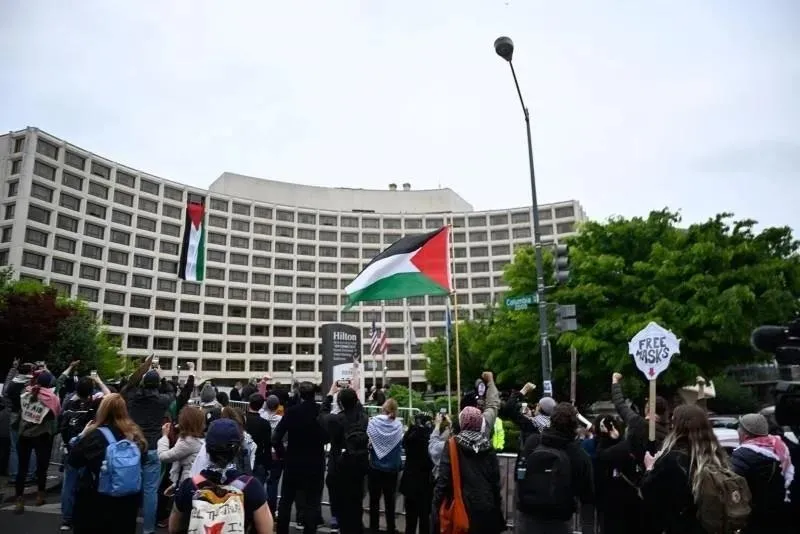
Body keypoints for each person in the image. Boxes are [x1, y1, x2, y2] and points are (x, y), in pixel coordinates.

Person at [169, 419, 273, 534]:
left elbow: (173, 527)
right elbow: (266, 530)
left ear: (207, 448)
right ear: (238, 449)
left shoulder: (189, 486)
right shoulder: (251, 487)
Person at [640, 403, 731, 534]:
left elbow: (649, 495)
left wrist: (650, 468)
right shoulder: (716, 456)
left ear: (678, 427)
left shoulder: (671, 459)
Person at [68, 393, 148, 534]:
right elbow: (143, 460)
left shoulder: (95, 435)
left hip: (96, 500)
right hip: (127, 502)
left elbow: (74, 460)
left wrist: (82, 435)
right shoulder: (134, 435)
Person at [515, 402, 595, 534]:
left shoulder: (533, 442)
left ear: (551, 420)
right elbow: (587, 499)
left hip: (527, 519)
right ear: (574, 426)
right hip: (559, 523)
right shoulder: (579, 456)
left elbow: (519, 477)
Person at [432, 406, 506, 534]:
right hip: (487, 508)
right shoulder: (488, 446)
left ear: (462, 423)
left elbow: (443, 481)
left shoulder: (453, 444)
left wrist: (436, 507)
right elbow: (495, 482)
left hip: (462, 508)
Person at [121, 356, 173, 534]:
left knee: (130, 486)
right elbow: (172, 392)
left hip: (134, 446)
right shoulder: (163, 400)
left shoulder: (133, 398)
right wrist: (162, 377)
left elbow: (128, 385)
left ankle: (126, 523)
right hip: (153, 447)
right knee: (150, 491)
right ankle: (148, 529)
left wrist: (143, 370)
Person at [272, 381, 328, 534]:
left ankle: (282, 531)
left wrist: (283, 456)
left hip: (293, 461)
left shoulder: (291, 412)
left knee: (285, 501)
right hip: (315, 463)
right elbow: (327, 437)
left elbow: (276, 438)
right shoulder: (319, 412)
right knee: (312, 503)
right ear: (314, 394)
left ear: (299, 394)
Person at [731, 413, 794, 533]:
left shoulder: (742, 455)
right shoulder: (781, 447)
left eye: (739, 427)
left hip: (754, 517)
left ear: (745, 433)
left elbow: (734, 486)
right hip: (782, 515)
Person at [59, 374, 108, 530]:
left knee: (68, 485)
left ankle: (66, 519)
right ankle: (83, 515)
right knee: (86, 485)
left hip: (69, 449)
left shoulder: (68, 402)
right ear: (91, 391)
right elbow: (111, 397)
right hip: (87, 452)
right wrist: (99, 381)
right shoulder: (93, 406)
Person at [320, 384, 369, 534]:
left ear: (340, 403)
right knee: (355, 502)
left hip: (339, 466)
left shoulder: (336, 420)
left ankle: (340, 523)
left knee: (340, 502)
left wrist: (329, 395)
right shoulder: (363, 418)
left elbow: (321, 416)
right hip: (359, 466)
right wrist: (353, 391)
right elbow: (357, 407)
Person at [15, 369, 60, 513]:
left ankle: (19, 500)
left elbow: (19, 411)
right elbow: (54, 415)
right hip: (41, 435)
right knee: (42, 468)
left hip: (24, 434)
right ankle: (40, 496)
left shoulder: (26, 392)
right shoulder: (50, 398)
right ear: (49, 383)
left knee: (22, 468)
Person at [367, 398, 404, 534]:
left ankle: (373, 528)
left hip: (375, 466)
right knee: (390, 500)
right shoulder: (398, 426)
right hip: (392, 469)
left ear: (383, 408)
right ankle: (390, 527)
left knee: (374, 500)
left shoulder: (374, 422)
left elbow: (369, 439)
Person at [612, 372, 669, 448]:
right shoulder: (670, 434)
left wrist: (615, 381)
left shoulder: (637, 423)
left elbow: (620, 404)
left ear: (647, 408)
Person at [400, 413, 434, 534]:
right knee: (425, 518)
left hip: (410, 482)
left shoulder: (410, 437)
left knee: (410, 519)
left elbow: (404, 442)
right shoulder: (429, 438)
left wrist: (412, 427)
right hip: (425, 483)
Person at [157, 405, 205, 490]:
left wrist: (164, 436)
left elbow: (163, 456)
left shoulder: (188, 442)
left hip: (185, 484)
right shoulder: (199, 438)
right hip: (192, 481)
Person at [5, 361, 37, 485]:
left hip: (14, 415)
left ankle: (13, 475)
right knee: (31, 445)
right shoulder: (31, 383)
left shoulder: (13, 383)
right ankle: (30, 475)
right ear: (30, 371)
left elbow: (6, 393)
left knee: (14, 447)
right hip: (27, 417)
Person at [260, 394, 284, 514]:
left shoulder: (261, 417)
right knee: (273, 483)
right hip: (276, 454)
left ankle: (259, 507)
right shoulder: (281, 420)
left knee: (260, 481)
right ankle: (272, 508)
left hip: (264, 453)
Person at [244, 393, 272, 488]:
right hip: (258, 459)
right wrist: (268, 465)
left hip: (243, 458)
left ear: (249, 404)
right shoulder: (265, 424)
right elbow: (267, 445)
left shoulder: (242, 420)